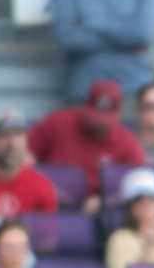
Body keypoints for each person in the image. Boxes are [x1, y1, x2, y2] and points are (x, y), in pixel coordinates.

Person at [28, 80, 146, 214]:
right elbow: (25, 152)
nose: (98, 125)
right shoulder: (58, 122)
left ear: (118, 115)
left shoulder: (127, 143)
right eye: (95, 117)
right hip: (52, 203)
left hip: (97, 212)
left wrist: (104, 200)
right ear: (86, 106)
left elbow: (137, 183)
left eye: (105, 120)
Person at [0, 112, 60, 219]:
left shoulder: (42, 186)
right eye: (4, 135)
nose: (12, 143)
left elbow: (47, 234)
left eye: (18, 135)